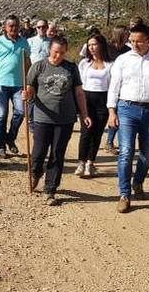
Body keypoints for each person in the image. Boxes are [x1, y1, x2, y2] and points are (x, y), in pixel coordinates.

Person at [107, 23, 149, 214]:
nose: (135, 44)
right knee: (126, 151)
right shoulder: (122, 60)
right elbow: (114, 86)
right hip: (126, 108)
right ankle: (124, 193)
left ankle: (138, 181)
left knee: (148, 153)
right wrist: (112, 111)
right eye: (132, 41)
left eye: (139, 41)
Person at [24, 36, 91, 205]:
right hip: (42, 117)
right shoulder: (38, 66)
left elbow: (79, 93)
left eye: (61, 53)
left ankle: (50, 189)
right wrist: (27, 94)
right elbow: (30, 88)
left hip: (65, 119)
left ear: (65, 52)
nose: (58, 56)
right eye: (55, 52)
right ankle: (36, 172)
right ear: (49, 50)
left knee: (57, 154)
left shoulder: (71, 68)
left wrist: (84, 114)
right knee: (38, 152)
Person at [0, 15, 31, 158]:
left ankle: (10, 138)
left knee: (21, 112)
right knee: (1, 116)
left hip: (19, 85)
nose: (14, 28)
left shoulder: (24, 42)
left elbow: (27, 62)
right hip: (1, 85)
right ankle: (0, 146)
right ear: (5, 27)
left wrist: (29, 82)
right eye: (10, 26)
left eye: (16, 26)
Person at [76, 34, 113, 178]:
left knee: (97, 133)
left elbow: (113, 85)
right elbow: (79, 84)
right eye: (89, 45)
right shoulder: (84, 63)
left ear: (101, 45)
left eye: (94, 44)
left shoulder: (110, 64)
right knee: (86, 132)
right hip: (87, 99)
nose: (91, 48)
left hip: (103, 99)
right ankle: (81, 162)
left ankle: (90, 163)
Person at [104, 25, 130, 154]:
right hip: (106, 85)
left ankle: (110, 142)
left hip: (121, 86)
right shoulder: (107, 49)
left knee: (117, 114)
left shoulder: (128, 50)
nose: (128, 36)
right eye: (126, 34)